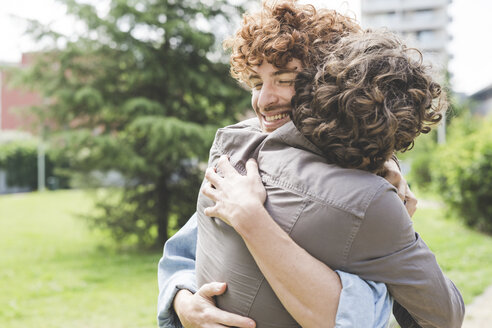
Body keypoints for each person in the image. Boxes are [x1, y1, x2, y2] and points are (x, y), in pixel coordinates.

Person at [157, 1, 464, 327]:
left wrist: (382, 166)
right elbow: (187, 250)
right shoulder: (241, 157)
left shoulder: (237, 146)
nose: (263, 102)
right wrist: (184, 301)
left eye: (284, 79)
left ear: (329, 79)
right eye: (257, 83)